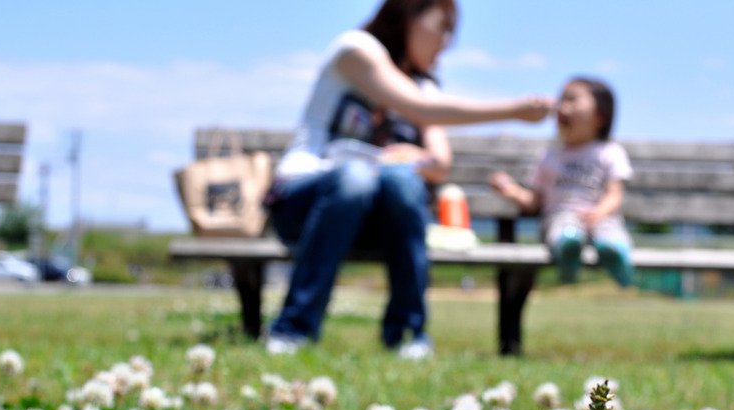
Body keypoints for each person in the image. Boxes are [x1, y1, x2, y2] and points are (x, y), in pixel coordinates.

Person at [264, 0, 552, 358]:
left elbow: (439, 161)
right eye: (443, 27)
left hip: (370, 214)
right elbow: (422, 110)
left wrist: (411, 158)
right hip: (306, 200)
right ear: (410, 14)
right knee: (355, 176)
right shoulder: (356, 49)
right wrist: (514, 110)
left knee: (401, 181)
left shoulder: (421, 83)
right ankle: (294, 328)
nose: (447, 41)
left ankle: (407, 333)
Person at [490, 77, 634, 286]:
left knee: (610, 231)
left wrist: (599, 213)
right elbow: (535, 201)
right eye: (561, 100)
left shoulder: (610, 152)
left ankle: (616, 256)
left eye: (572, 100)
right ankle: (568, 254)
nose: (562, 107)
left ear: (600, 115)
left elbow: (615, 193)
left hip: (600, 216)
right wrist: (511, 190)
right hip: (559, 215)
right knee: (563, 229)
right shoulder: (548, 156)